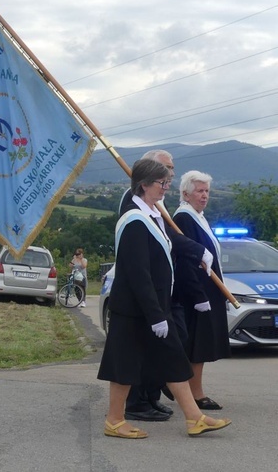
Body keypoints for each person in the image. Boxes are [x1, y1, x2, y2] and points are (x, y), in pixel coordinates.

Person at [97, 159, 231, 439]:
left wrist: (198, 252)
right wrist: (156, 315)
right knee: (124, 365)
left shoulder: (151, 215)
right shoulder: (134, 220)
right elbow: (137, 273)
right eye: (161, 184)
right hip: (137, 309)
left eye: (167, 183)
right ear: (144, 185)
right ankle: (114, 420)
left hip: (156, 306)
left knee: (173, 360)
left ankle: (194, 418)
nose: (165, 189)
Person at [118, 149, 210, 422]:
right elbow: (139, 260)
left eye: (171, 169)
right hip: (147, 297)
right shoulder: (134, 207)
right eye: (165, 171)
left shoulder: (155, 206)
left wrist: (197, 250)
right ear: (147, 177)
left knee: (171, 346)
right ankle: (138, 403)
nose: (170, 176)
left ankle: (151, 397)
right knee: (146, 353)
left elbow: (168, 237)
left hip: (163, 292)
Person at [172, 171, 231, 410]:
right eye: (199, 190)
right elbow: (186, 260)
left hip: (207, 290)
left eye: (207, 191)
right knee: (198, 345)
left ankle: (189, 390)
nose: (204, 195)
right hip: (196, 292)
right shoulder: (184, 218)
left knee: (202, 345)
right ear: (185, 193)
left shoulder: (199, 217)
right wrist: (198, 296)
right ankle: (195, 394)